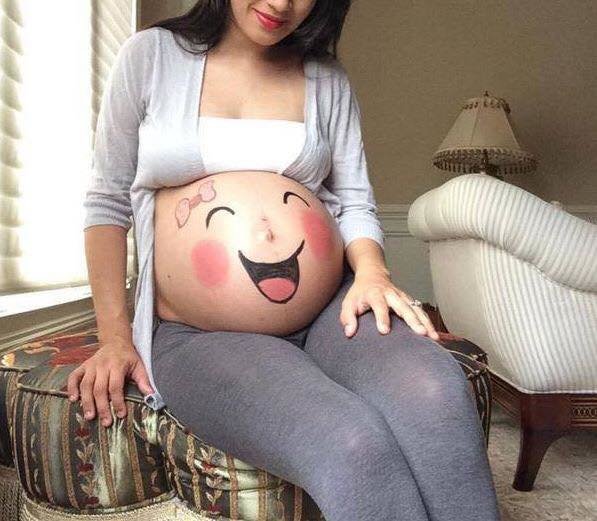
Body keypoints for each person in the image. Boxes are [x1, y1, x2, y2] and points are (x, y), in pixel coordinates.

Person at [68, 1, 501, 520]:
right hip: (202, 334)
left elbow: (355, 201)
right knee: (350, 440)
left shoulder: (326, 78)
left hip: (331, 311)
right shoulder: (151, 57)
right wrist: (115, 338)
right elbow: (107, 203)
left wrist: (372, 272)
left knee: (436, 392)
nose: (280, 3)